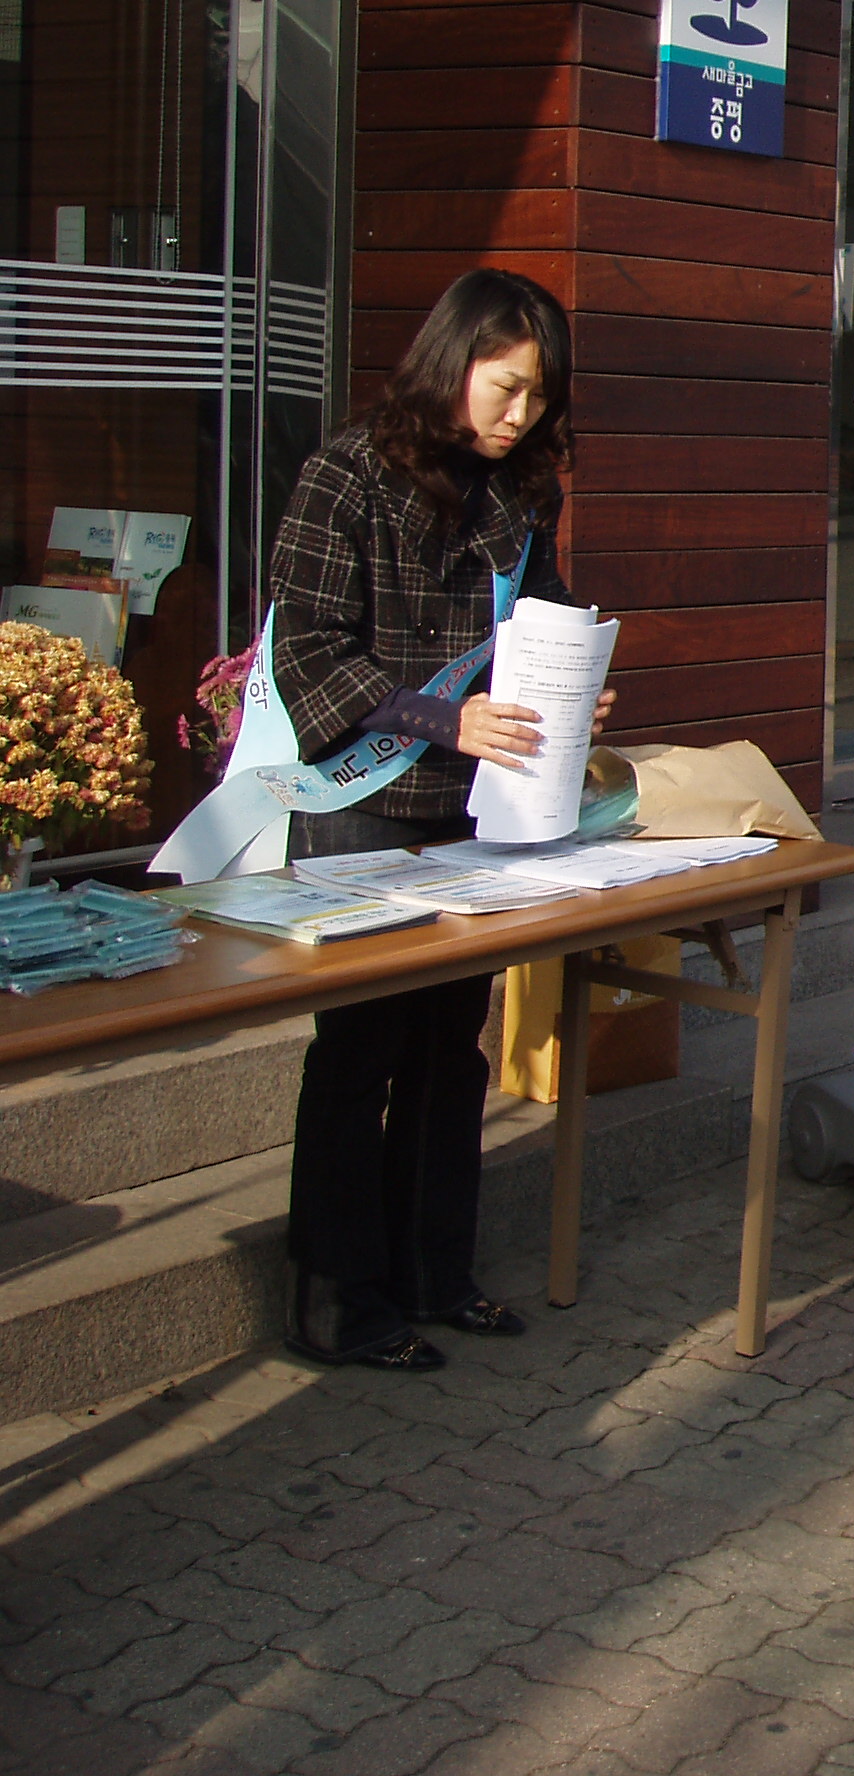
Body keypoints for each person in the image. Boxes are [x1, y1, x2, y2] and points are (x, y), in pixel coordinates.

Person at [269, 269, 610, 1371]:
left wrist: (573, 683)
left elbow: (544, 609)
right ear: (449, 363)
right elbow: (308, 649)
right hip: (365, 804)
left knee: (448, 1046)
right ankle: (339, 1300)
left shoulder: (522, 492)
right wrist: (441, 719)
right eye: (505, 389)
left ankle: (436, 1273)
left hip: (473, 811)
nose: (520, 417)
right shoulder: (347, 472)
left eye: (538, 400)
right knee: (359, 1047)